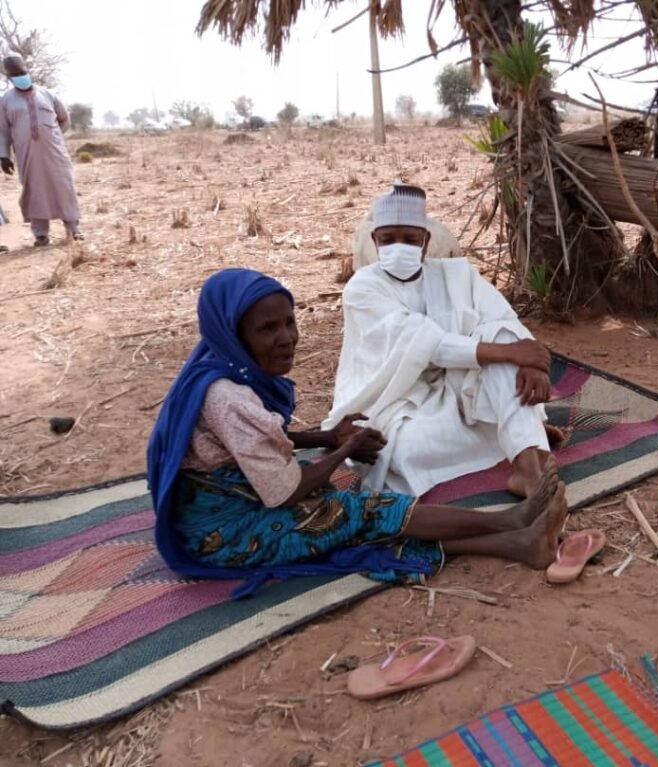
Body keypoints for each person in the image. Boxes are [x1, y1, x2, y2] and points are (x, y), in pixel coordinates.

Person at [146, 268, 567, 595]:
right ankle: (508, 522)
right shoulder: (228, 398)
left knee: (357, 522)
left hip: (238, 498)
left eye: (289, 323)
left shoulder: (223, 375)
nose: (286, 338)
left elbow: (259, 441)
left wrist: (326, 439)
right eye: (267, 329)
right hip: (224, 534)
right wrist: (341, 448)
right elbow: (285, 490)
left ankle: (517, 545)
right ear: (232, 333)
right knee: (360, 513)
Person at [324, 183, 556, 499]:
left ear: (426, 241)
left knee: (500, 334)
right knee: (405, 451)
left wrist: (531, 362)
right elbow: (424, 343)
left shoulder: (457, 274)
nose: (399, 247)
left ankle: (528, 468)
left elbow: (502, 318)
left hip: (461, 388)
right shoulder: (362, 288)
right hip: (399, 399)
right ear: (374, 241)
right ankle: (521, 432)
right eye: (388, 239)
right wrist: (514, 354)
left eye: (410, 239)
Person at [0, 54, 82, 247]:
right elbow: (2, 131)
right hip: (26, 155)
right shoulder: (5, 101)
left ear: (27, 70)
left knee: (64, 188)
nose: (19, 76)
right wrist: (3, 155)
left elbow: (64, 119)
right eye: (14, 75)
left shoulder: (48, 94)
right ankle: (40, 235)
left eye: (22, 72)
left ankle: (73, 230)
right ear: (9, 76)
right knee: (34, 190)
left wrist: (54, 137)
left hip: (55, 153)